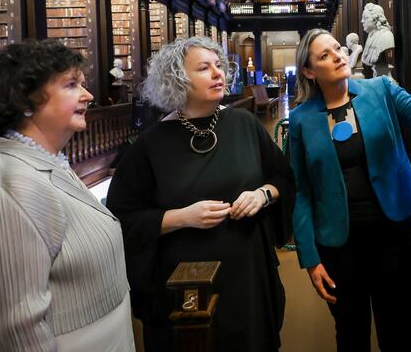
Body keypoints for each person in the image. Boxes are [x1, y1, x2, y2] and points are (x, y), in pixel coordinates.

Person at [106, 36, 294, 352]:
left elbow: (283, 178)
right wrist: (182, 217)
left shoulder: (244, 124)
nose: (218, 73)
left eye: (219, 66)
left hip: (247, 272)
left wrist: (263, 195)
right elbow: (121, 218)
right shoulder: (150, 146)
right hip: (184, 284)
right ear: (177, 78)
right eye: (204, 68)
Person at [0, 39, 135, 352]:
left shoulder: (47, 163)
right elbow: (20, 329)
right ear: (25, 98)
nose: (88, 95)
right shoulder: (9, 186)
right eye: (72, 84)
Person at [289, 18, 411, 351]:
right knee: (351, 336)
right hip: (339, 247)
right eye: (324, 56)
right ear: (309, 72)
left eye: (337, 48)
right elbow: (302, 191)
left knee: (400, 337)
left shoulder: (380, 90)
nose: (338, 56)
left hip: (394, 237)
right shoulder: (301, 119)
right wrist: (310, 258)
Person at [360, 3, 395, 78]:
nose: (362, 21)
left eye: (365, 18)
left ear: (376, 18)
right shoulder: (370, 37)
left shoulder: (387, 36)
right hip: (376, 75)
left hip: (384, 77)